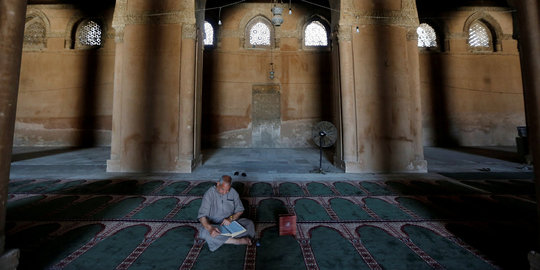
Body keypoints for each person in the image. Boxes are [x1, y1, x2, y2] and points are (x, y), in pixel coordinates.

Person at [197, 175, 255, 251]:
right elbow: (202, 216)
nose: (224, 192)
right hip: (214, 225)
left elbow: (240, 210)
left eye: (227, 190)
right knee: (204, 231)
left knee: (249, 224)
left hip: (230, 223)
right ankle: (236, 241)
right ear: (218, 184)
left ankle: (221, 239)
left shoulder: (233, 192)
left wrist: (230, 218)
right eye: (222, 189)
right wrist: (210, 228)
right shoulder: (209, 194)